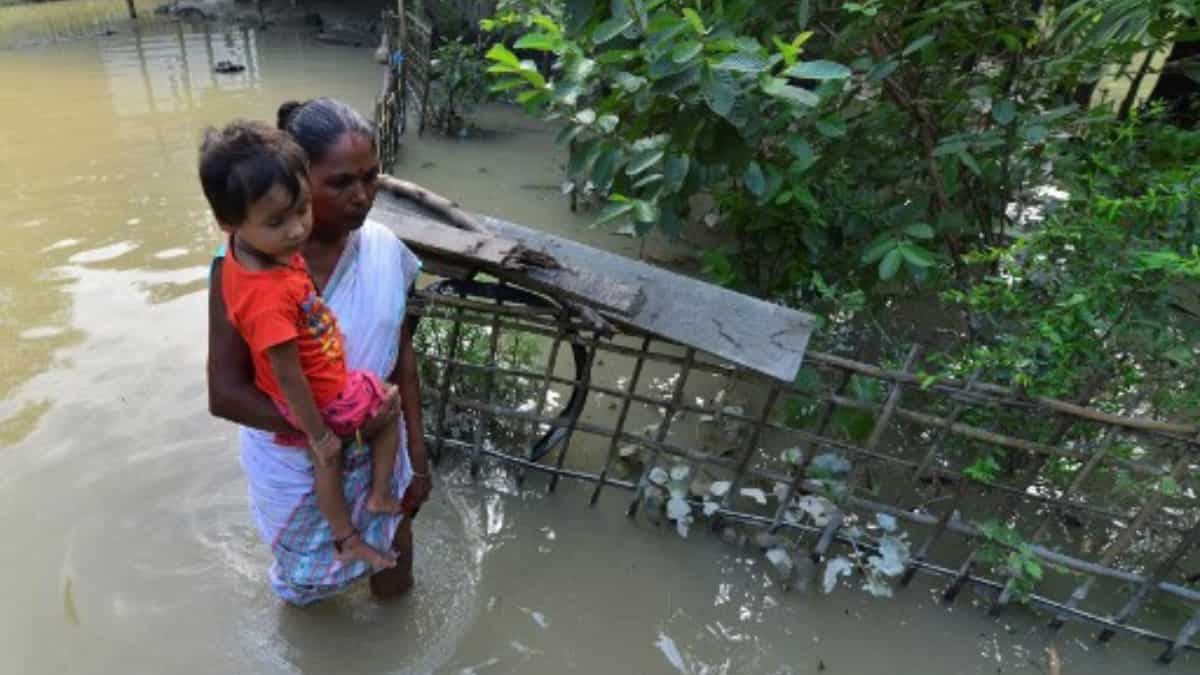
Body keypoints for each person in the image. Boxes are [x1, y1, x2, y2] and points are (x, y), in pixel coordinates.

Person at [207, 98, 431, 605]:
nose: (363, 196)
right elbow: (225, 394)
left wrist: (417, 453)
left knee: (397, 554)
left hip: (378, 445)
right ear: (300, 180)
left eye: (371, 177)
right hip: (299, 459)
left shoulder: (384, 251)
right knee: (307, 588)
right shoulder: (243, 272)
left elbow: (401, 356)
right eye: (341, 183)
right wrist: (328, 432)